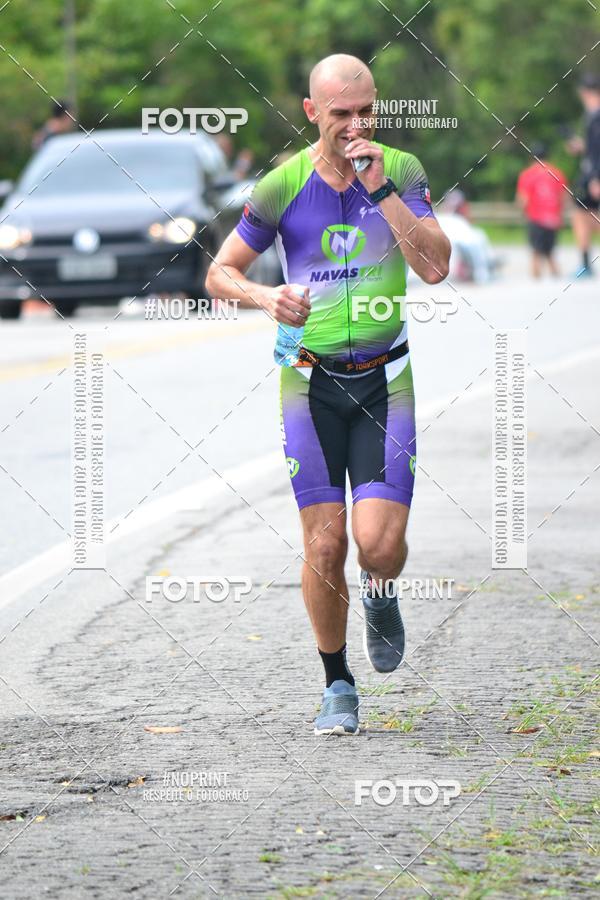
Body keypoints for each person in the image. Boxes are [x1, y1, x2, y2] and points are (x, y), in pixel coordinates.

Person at [206, 54, 450, 735]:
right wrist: (263, 294)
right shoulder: (282, 185)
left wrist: (382, 194)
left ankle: (381, 591)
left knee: (377, 546)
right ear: (312, 112)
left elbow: (435, 266)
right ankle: (337, 683)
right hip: (307, 382)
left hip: (385, 378)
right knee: (324, 543)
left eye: (365, 111)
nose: (355, 125)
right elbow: (220, 272)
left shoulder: (399, 170)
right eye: (340, 114)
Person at [516, 143, 567, 278]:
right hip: (553, 217)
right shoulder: (557, 172)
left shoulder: (527, 174)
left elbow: (523, 200)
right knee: (550, 252)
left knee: (536, 252)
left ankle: (536, 280)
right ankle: (556, 277)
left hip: (536, 217)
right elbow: (564, 197)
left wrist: (521, 212)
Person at [568, 73, 600, 277]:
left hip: (594, 173)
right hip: (590, 171)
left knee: (582, 215)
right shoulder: (591, 114)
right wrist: (581, 146)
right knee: (583, 214)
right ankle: (585, 263)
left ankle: (586, 264)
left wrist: (597, 176)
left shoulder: (596, 114)